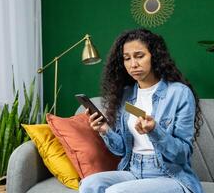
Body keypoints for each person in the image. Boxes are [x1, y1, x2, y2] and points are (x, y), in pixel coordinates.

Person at [79, 28, 203, 193]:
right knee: (89, 184)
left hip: (170, 176)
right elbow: (122, 149)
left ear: (155, 56)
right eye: (127, 58)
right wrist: (105, 130)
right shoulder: (127, 95)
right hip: (134, 170)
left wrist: (154, 131)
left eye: (139, 56)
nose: (133, 64)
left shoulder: (178, 93)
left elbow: (182, 154)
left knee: (115, 192)